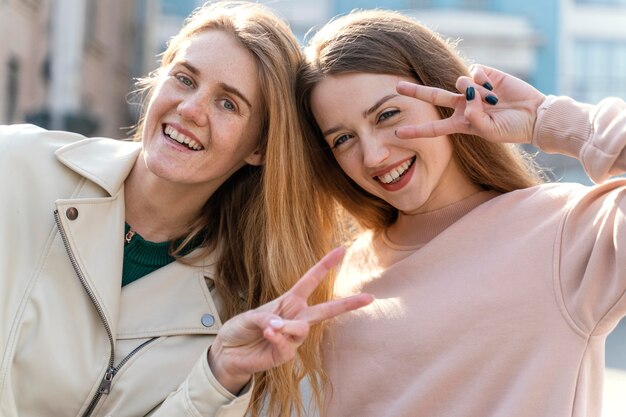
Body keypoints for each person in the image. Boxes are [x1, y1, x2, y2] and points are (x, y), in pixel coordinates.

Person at [0, 2, 373, 417]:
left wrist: (218, 377)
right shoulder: (14, 166)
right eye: (184, 79)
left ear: (259, 148)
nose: (191, 109)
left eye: (228, 104)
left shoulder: (237, 310)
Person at [296, 8, 626, 417]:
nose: (373, 155)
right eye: (343, 138)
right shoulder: (337, 275)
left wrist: (549, 121)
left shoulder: (564, 233)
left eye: (387, 115)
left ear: (443, 99)